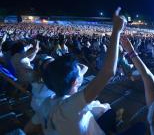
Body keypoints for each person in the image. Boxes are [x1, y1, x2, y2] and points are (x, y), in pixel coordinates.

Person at [24, 7, 127, 135]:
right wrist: (116, 31)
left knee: (106, 113)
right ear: (75, 82)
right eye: (79, 73)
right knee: (136, 125)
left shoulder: (46, 104)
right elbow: (108, 72)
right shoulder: (72, 104)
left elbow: (28, 130)